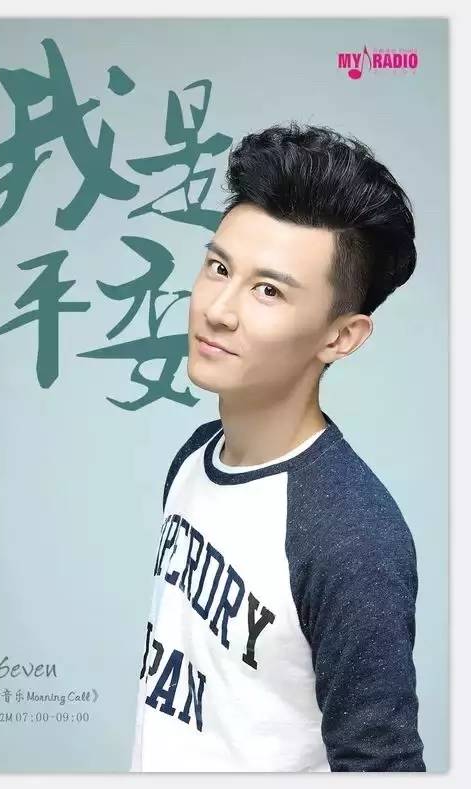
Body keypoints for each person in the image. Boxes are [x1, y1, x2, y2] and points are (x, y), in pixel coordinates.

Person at [129, 121, 426, 772]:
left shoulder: (351, 536)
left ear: (341, 337)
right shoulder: (194, 458)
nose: (218, 309)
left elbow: (381, 766)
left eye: (268, 290)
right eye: (218, 268)